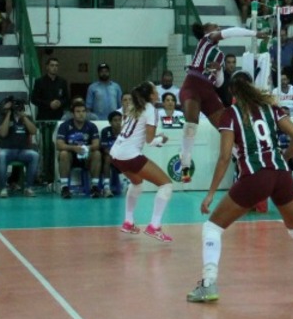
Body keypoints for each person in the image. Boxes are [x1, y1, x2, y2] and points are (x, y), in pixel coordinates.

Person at [188, 70, 293, 303]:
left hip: (255, 175)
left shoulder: (231, 114)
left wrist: (211, 193)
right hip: (281, 175)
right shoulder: (270, 108)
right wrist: (283, 158)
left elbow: (224, 157)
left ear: (232, 92)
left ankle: (208, 284)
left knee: (212, 228)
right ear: (252, 87)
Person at [179, 22, 261, 183]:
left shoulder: (220, 55)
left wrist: (218, 70)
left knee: (226, 127)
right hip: (192, 85)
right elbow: (231, 32)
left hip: (208, 90)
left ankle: (247, 162)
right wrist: (254, 33)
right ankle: (185, 165)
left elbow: (219, 83)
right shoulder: (206, 40)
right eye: (214, 26)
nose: (218, 28)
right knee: (191, 124)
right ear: (206, 31)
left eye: (218, 27)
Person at [110, 82, 175, 240]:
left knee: (137, 183)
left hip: (115, 153)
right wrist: (161, 139)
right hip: (130, 155)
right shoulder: (151, 110)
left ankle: (128, 222)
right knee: (166, 185)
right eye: (155, 90)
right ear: (151, 95)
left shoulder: (134, 107)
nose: (158, 92)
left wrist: (156, 138)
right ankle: (154, 226)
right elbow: (149, 140)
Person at [0, 97, 38, 198]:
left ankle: (29, 188)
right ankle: (3, 188)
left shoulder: (27, 118)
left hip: (23, 151)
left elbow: (34, 131)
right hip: (7, 150)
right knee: (1, 155)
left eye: (19, 107)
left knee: (35, 155)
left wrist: (24, 117)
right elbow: (3, 133)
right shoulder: (3, 117)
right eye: (15, 107)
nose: (17, 109)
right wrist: (8, 114)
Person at [56, 101, 103, 199]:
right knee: (63, 153)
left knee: (97, 154)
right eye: (78, 111)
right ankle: (64, 187)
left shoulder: (91, 126)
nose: (81, 114)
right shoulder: (64, 126)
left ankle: (94, 187)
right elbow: (59, 145)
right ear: (72, 114)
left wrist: (87, 148)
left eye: (83, 111)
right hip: (71, 157)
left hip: (86, 156)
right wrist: (74, 148)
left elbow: (96, 144)